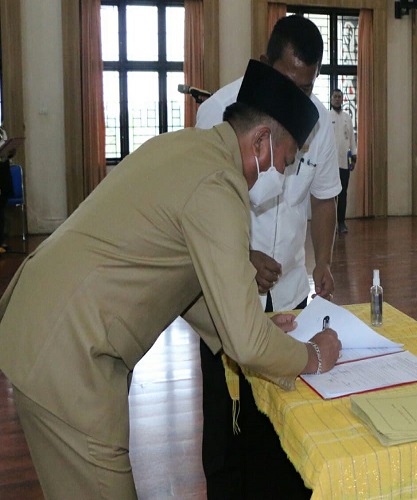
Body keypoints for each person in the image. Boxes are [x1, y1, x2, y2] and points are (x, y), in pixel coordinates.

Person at [0, 60, 342, 499]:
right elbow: (247, 345)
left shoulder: (184, 148)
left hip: (48, 328)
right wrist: (313, 354)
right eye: (286, 160)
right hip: (68, 354)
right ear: (259, 141)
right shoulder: (219, 186)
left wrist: (242, 325)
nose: (285, 173)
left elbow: (184, 278)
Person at [195, 15, 340, 499]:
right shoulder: (218, 110)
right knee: (227, 424)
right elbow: (202, 213)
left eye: (308, 84)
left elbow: (324, 199)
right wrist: (243, 256)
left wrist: (323, 261)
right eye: (286, 81)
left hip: (292, 293)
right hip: (227, 290)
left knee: (285, 425)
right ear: (263, 63)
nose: (296, 96)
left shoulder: (317, 124)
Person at [330, 88, 357, 234]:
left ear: (342, 99)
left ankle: (341, 222)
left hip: (344, 163)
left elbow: (352, 139)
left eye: (340, 96)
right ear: (331, 99)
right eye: (335, 96)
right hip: (331, 164)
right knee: (331, 195)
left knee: (343, 194)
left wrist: (354, 156)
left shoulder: (347, 117)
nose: (337, 99)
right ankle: (331, 223)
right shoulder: (327, 117)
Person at [0, 125, 16, 253]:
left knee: (2, 208)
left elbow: (7, 154)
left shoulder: (2, 131)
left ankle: (1, 241)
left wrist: (10, 151)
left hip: (4, 171)